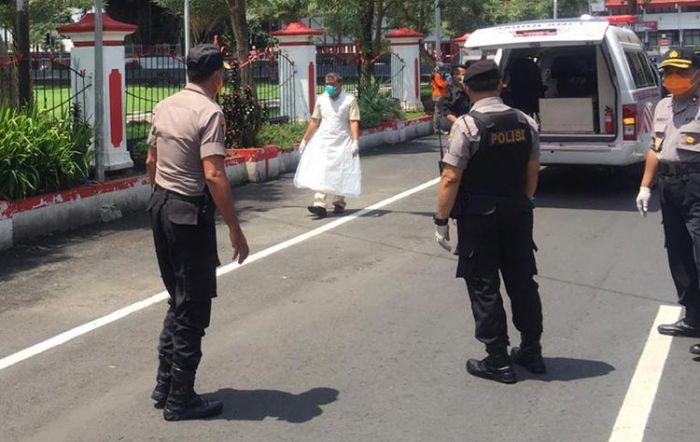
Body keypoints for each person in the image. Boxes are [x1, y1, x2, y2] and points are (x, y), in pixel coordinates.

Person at [145, 44, 250, 420]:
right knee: (193, 307)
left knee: (178, 298)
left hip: (160, 207)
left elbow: (151, 161)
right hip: (188, 214)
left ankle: (164, 385)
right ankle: (180, 399)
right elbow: (213, 173)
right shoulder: (210, 112)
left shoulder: (165, 105)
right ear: (217, 77)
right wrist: (235, 230)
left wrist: (160, 199)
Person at [434, 60, 544, 384]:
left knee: (484, 285)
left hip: (479, 218)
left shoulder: (466, 126)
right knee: (523, 281)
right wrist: (521, 201)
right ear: (500, 85)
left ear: (467, 89)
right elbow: (532, 171)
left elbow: (451, 177)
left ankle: (497, 359)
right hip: (518, 214)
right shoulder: (525, 121)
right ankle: (532, 350)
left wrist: (441, 220)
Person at [636, 49, 700, 356]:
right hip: (670, 184)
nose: (671, 78)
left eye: (679, 72)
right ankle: (693, 317)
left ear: (696, 73)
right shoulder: (663, 105)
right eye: (667, 72)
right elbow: (655, 148)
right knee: (679, 252)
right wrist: (645, 186)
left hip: (697, 181)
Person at [294, 72, 361, 218]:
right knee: (322, 170)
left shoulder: (349, 100)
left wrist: (355, 140)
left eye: (332, 84)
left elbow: (353, 120)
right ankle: (320, 204)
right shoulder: (321, 99)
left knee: (340, 170)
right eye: (327, 84)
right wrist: (305, 140)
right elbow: (314, 121)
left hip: (343, 140)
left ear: (340, 84)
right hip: (324, 140)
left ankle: (339, 201)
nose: (329, 87)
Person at [431, 63, 450, 133]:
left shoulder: (436, 74)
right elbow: (441, 84)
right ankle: (437, 129)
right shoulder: (437, 75)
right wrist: (447, 82)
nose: (443, 71)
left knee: (438, 112)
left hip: (438, 94)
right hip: (438, 95)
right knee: (438, 112)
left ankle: (437, 129)